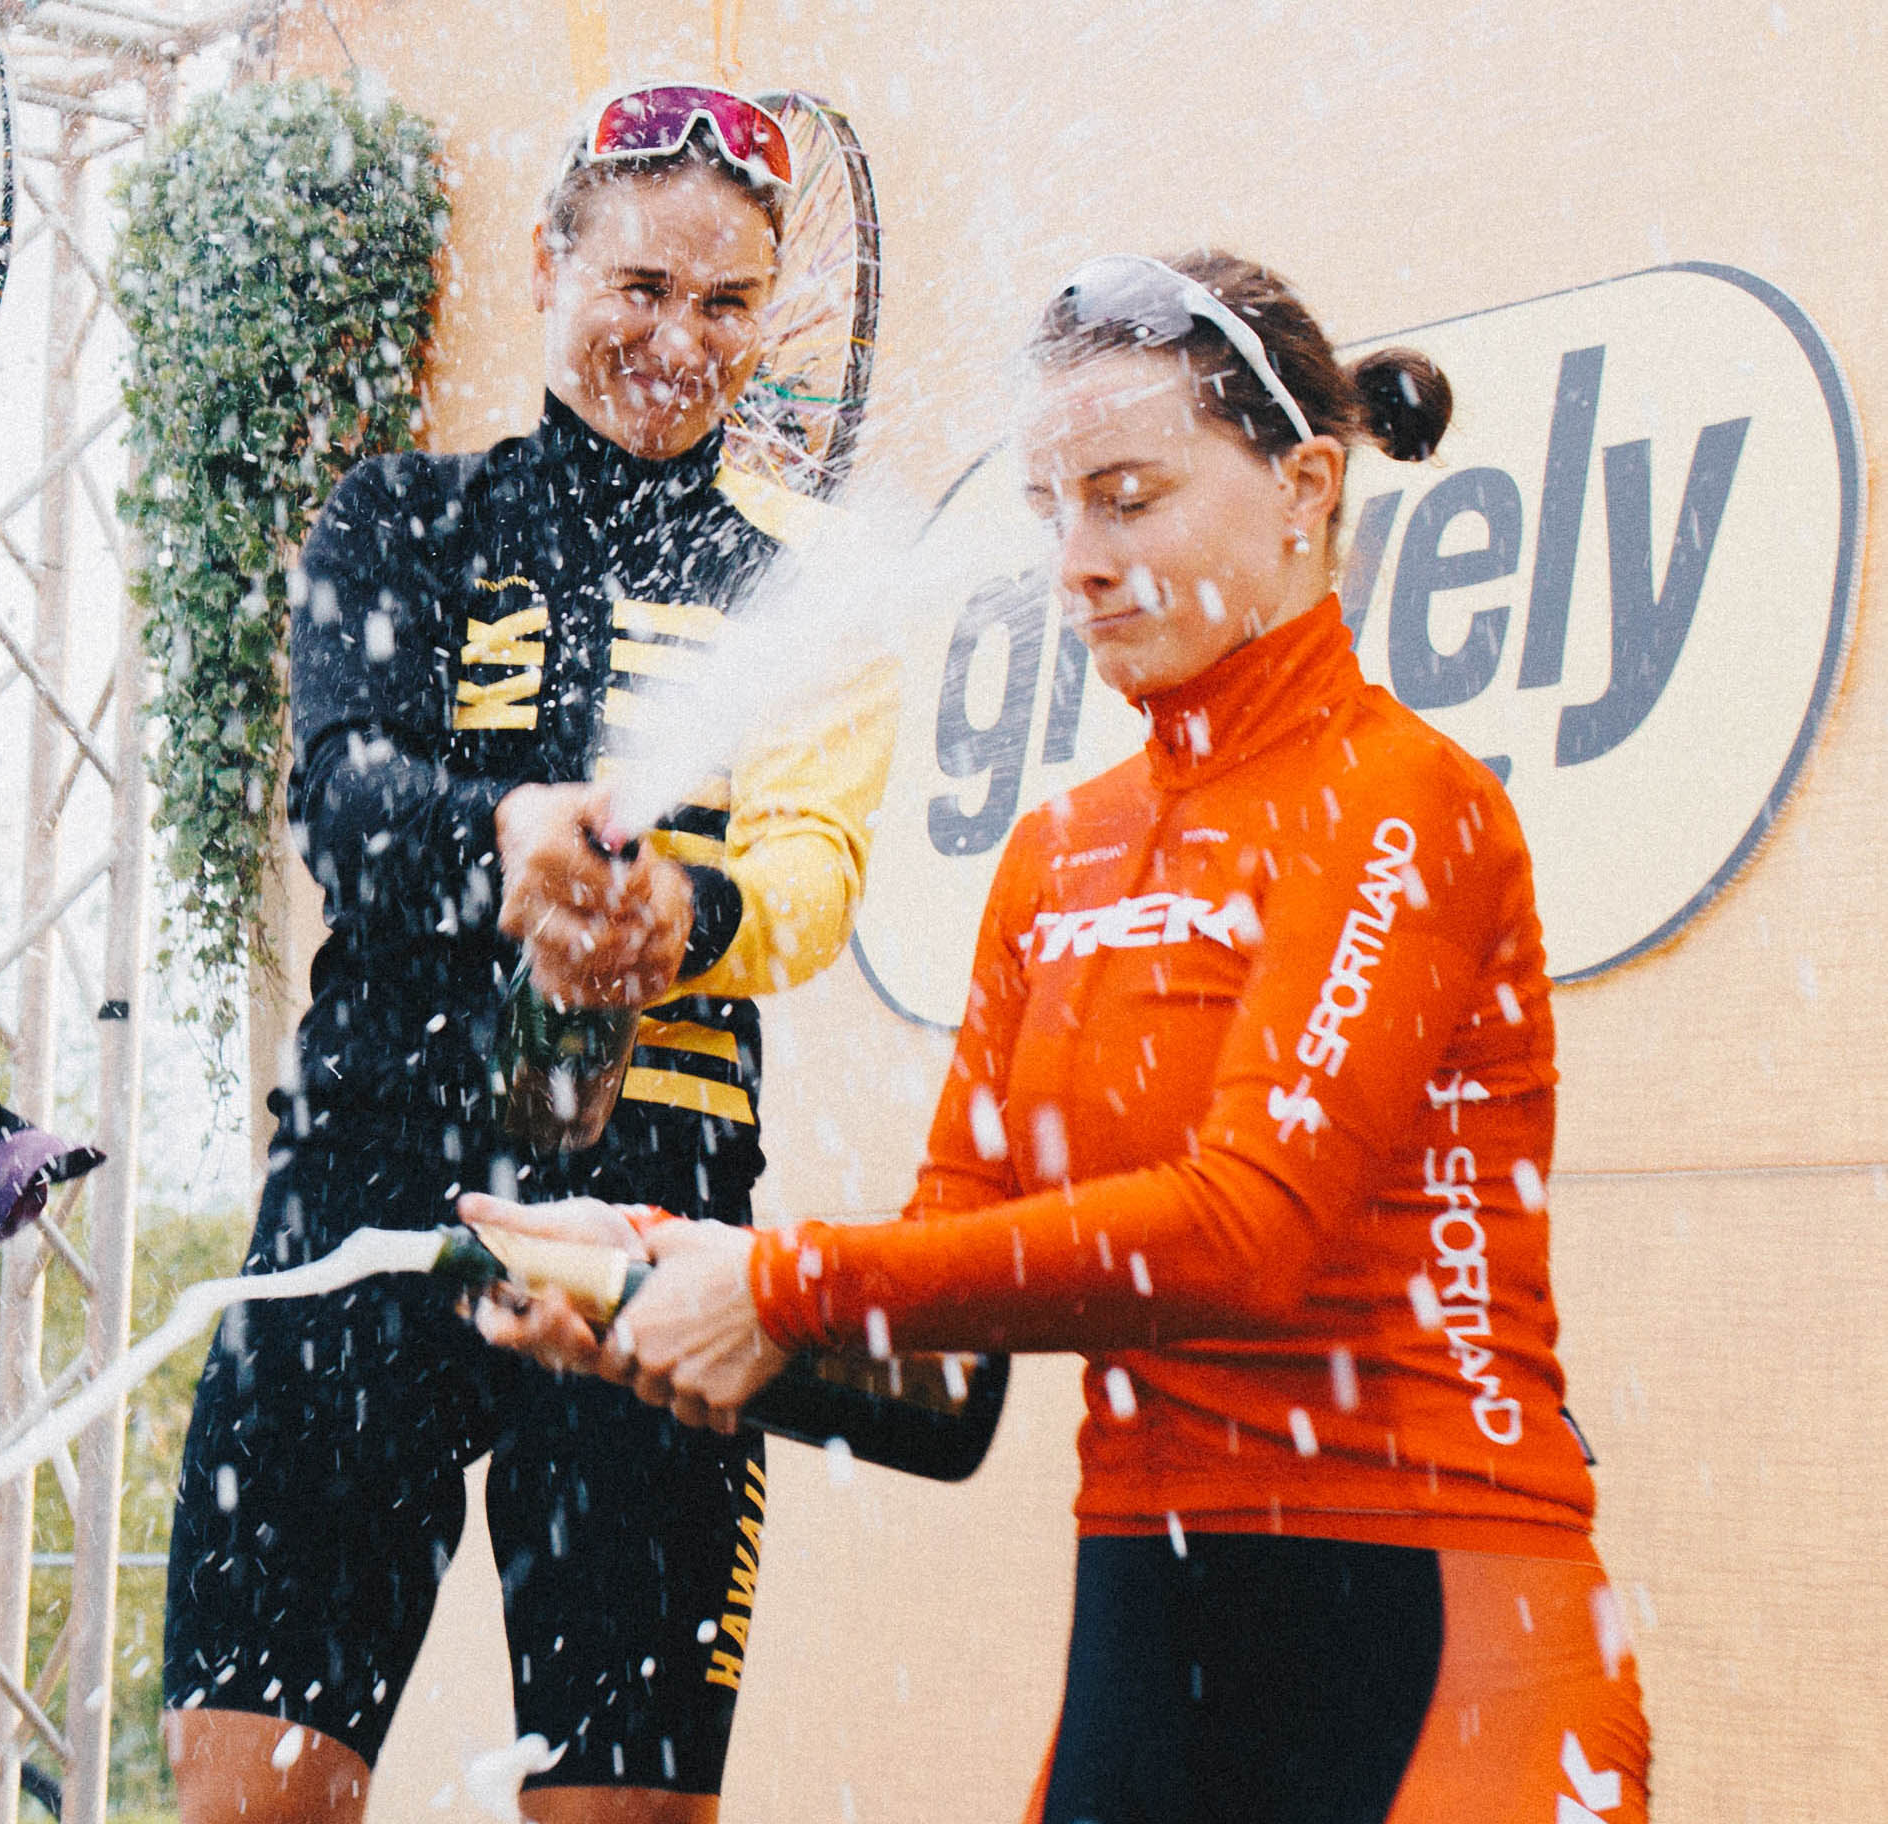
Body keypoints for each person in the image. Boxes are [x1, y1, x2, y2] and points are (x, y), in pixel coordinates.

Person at [475, 252, 1652, 1821]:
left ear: (1303, 488)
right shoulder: (1056, 858)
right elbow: (940, 1374)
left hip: (1438, 1623)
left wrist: (778, 1284)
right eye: (1051, 512)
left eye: (1127, 499)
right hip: (1149, 1631)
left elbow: (1246, 1235)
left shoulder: (1402, 804)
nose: (1077, 565)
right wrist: (654, 1292)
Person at [161, 84, 899, 1824]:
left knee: (624, 1809)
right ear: (547, 265)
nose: (678, 341)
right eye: (638, 286)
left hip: (657, 1233)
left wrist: (684, 918)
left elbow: (812, 872)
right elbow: (340, 796)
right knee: (249, 1799)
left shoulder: (810, 590)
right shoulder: (400, 515)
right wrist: (506, 839)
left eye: (724, 303)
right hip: (366, 1195)